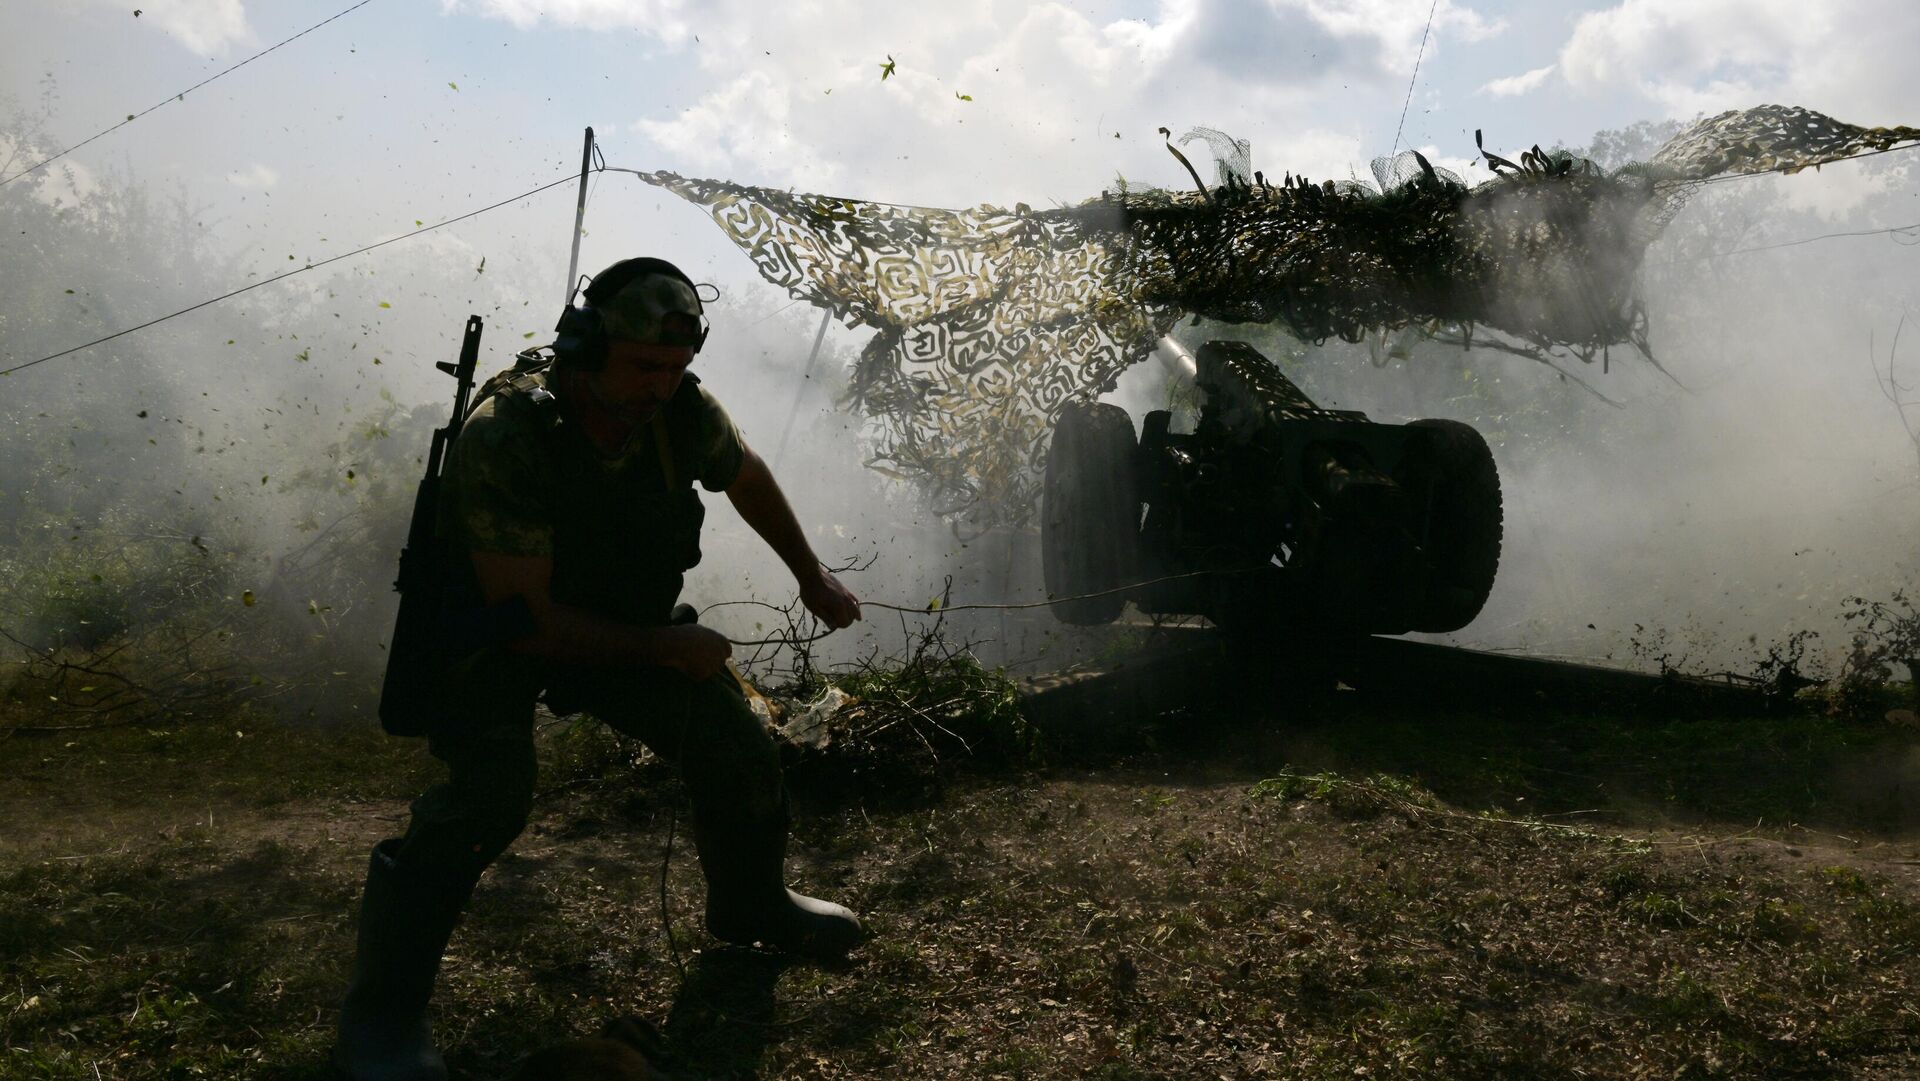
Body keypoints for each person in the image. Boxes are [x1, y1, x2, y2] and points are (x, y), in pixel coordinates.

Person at [333, 257, 863, 1081]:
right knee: (486, 799)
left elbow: (744, 472)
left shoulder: (676, 410)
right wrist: (666, 648)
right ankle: (383, 1015)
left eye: (677, 368)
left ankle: (752, 905)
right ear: (586, 347)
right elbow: (529, 624)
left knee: (733, 737)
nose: (661, 386)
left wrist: (810, 572)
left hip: (613, 621)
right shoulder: (509, 434)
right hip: (494, 634)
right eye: (645, 366)